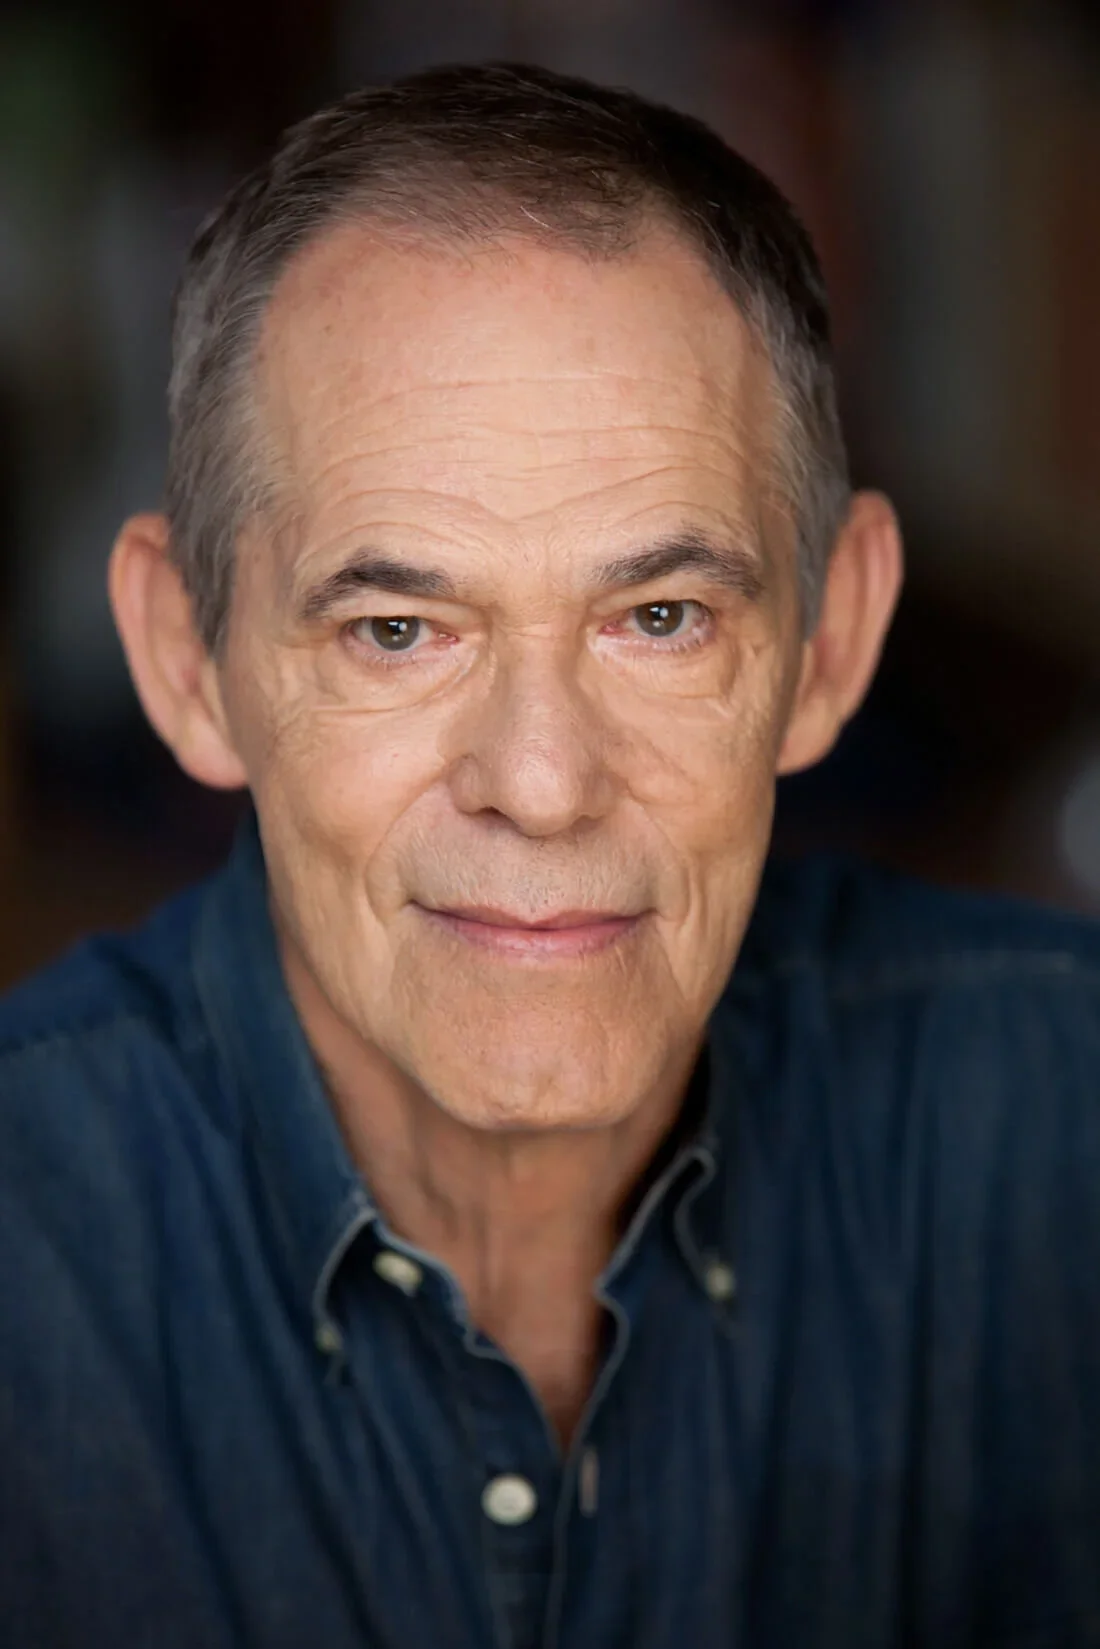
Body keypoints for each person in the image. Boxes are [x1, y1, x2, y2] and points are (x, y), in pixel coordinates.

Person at [1, 61, 1097, 1649]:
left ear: (831, 641)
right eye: (398, 629)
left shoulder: (1057, 1141)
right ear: (188, 662)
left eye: (659, 619)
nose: (541, 781)